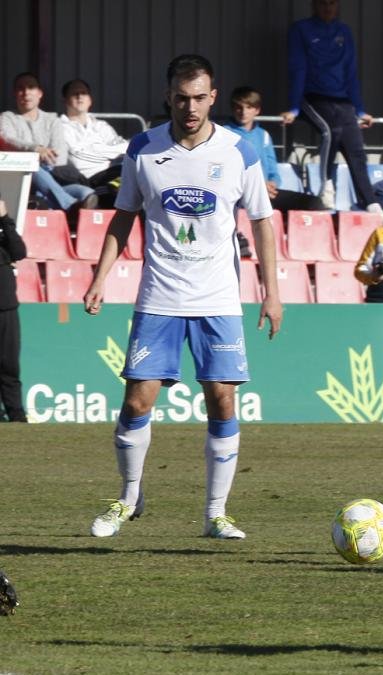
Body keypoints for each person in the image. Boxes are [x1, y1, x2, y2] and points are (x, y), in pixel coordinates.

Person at [82, 54, 282, 540]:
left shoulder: (240, 152)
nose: (190, 107)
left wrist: (271, 294)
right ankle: (129, 497)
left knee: (222, 400)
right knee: (136, 401)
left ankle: (216, 513)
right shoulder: (143, 149)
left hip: (218, 300)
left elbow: (261, 222)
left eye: (199, 98)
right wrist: (100, 277)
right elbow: (124, 215)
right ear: (168, 96)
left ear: (213, 97)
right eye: (181, 97)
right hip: (160, 297)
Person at [281, 0, 383, 215]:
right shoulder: (301, 29)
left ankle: (371, 202)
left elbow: (351, 72)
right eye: (323, 3)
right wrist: (294, 107)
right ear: (314, 5)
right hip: (311, 96)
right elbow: (297, 68)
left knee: (355, 145)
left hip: (341, 99)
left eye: (332, 3)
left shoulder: (343, 31)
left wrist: (360, 110)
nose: (328, 7)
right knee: (331, 131)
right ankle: (325, 185)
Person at [0, 72, 97, 213]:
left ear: (39, 93)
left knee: (86, 193)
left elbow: (60, 154)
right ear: (15, 93)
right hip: (19, 179)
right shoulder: (6, 118)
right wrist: (36, 149)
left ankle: (62, 206)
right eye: (21, 88)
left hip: (52, 180)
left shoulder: (52, 120)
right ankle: (69, 206)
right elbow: (8, 140)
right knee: (31, 166)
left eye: (31, 87)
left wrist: (43, 160)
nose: (26, 92)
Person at [225, 86, 325, 213]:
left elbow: (274, 171)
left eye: (249, 107)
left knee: (314, 203)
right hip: (240, 195)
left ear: (257, 110)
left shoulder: (264, 135)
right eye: (239, 107)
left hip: (266, 193)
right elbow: (227, 172)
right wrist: (258, 187)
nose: (243, 112)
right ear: (233, 109)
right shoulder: (224, 134)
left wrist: (272, 183)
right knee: (263, 208)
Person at [58, 78, 128, 190]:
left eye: (83, 93)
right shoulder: (59, 127)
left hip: (112, 175)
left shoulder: (102, 126)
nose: (79, 96)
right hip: (82, 180)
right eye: (74, 93)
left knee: (134, 166)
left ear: (90, 100)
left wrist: (92, 149)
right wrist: (107, 151)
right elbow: (77, 159)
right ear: (65, 100)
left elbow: (125, 148)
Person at [0, 198, 27, 423]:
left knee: (9, 365)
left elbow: (19, 251)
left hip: (7, 307)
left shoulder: (3, 230)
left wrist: (5, 219)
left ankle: (17, 416)